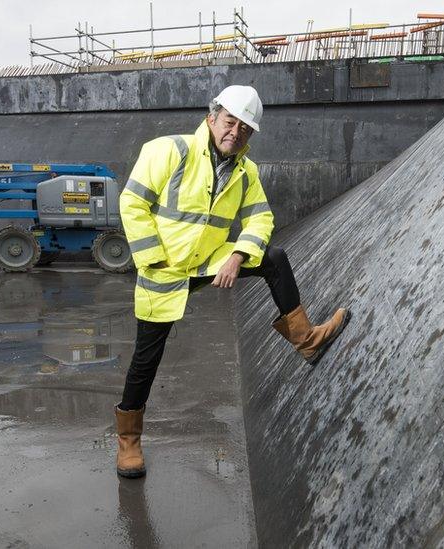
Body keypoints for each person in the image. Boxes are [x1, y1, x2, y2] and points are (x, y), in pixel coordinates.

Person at [114, 85, 351, 479]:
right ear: (212, 117)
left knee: (273, 257)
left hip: (208, 261)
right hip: (164, 270)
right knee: (146, 360)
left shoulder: (246, 172)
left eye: (245, 128)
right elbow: (133, 201)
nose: (235, 132)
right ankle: (128, 443)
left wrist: (237, 255)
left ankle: (305, 339)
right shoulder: (169, 151)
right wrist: (153, 257)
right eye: (230, 122)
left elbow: (261, 219)